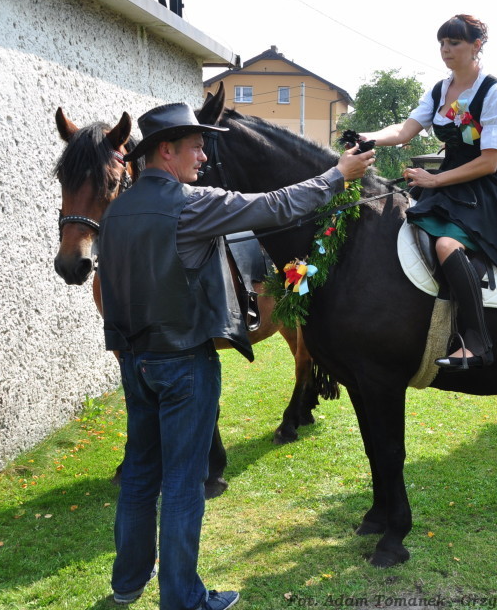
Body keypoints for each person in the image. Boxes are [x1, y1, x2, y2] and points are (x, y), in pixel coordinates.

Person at [97, 102, 374, 610]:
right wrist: (338, 174)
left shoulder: (116, 211)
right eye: (196, 147)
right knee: (184, 484)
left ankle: (127, 583)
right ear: (166, 151)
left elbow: (111, 290)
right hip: (185, 362)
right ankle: (183, 599)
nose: (204, 156)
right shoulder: (192, 204)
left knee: (138, 475)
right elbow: (278, 205)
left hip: (136, 363)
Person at [360, 14, 497, 371]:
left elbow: (490, 162)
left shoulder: (494, 92)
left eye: (454, 43)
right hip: (448, 185)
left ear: (476, 46)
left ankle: (478, 342)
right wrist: (369, 138)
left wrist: (433, 181)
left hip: (487, 190)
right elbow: (404, 131)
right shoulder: (439, 91)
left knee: (446, 245)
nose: (445, 50)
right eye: (442, 43)